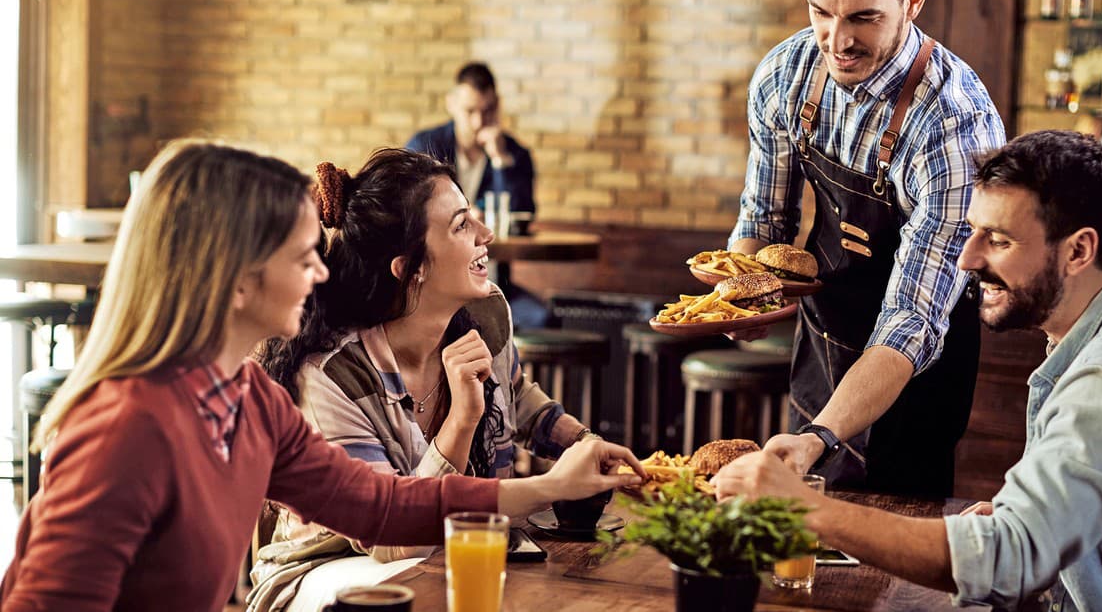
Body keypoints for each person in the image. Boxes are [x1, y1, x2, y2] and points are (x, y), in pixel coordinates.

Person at [0, 141, 643, 612]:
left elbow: (382, 505)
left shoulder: (248, 403)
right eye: (303, 255)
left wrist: (550, 485)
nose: (321, 272)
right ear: (239, 279)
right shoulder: (127, 430)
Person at [715, 130, 1102, 611]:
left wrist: (806, 510)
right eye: (972, 232)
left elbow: (1008, 565)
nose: (968, 259)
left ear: (1079, 250)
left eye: (999, 240)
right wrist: (1025, 514)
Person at [729, 0, 1005, 494]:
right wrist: (743, 297)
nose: (836, 40)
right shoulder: (786, 76)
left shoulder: (954, 127)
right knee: (798, 562)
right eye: (820, 13)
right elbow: (765, 218)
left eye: (863, 18)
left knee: (891, 572)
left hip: (911, 384)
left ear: (912, 1)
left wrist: (820, 438)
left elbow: (911, 320)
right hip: (821, 351)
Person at [247, 148, 595, 611]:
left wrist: (582, 444)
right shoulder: (333, 377)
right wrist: (463, 420)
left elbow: (518, 397)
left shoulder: (484, 315)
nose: (486, 235)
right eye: (461, 225)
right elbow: (394, 538)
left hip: (449, 547)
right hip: (328, 572)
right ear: (412, 268)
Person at [406, 62, 548, 330]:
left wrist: (499, 161)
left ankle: (512, 373)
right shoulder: (424, 147)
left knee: (541, 318)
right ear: (451, 104)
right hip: (435, 285)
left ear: (498, 106)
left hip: (493, 281)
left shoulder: (515, 155)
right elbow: (409, 214)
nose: (478, 122)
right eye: (470, 111)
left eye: (488, 110)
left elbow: (521, 218)